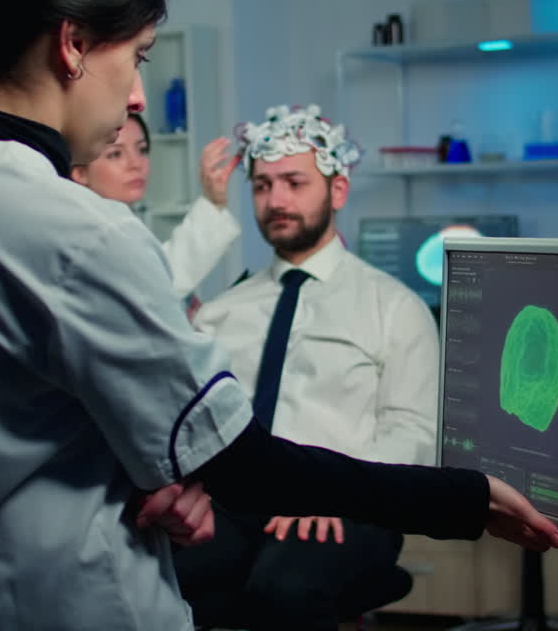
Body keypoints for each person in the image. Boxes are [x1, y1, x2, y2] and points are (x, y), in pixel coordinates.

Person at [0, 0, 558, 630]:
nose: (137, 97)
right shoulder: (78, 231)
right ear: (73, 44)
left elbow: (6, 428)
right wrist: (466, 499)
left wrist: (172, 476)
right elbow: (242, 464)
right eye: (139, 56)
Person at [176, 104, 439, 629]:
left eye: (294, 183)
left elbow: (412, 430)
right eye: (262, 185)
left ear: (337, 191)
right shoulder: (223, 312)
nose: (276, 200)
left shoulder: (393, 306)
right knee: (157, 575)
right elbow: (197, 417)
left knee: (283, 591)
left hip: (350, 499)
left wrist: (338, 491)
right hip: (236, 503)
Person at [69, 112, 242, 297]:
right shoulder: (85, 241)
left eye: (142, 150)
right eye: (116, 154)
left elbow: (159, 273)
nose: (136, 163)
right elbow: (157, 284)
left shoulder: (123, 229)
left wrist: (214, 200)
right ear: (80, 173)